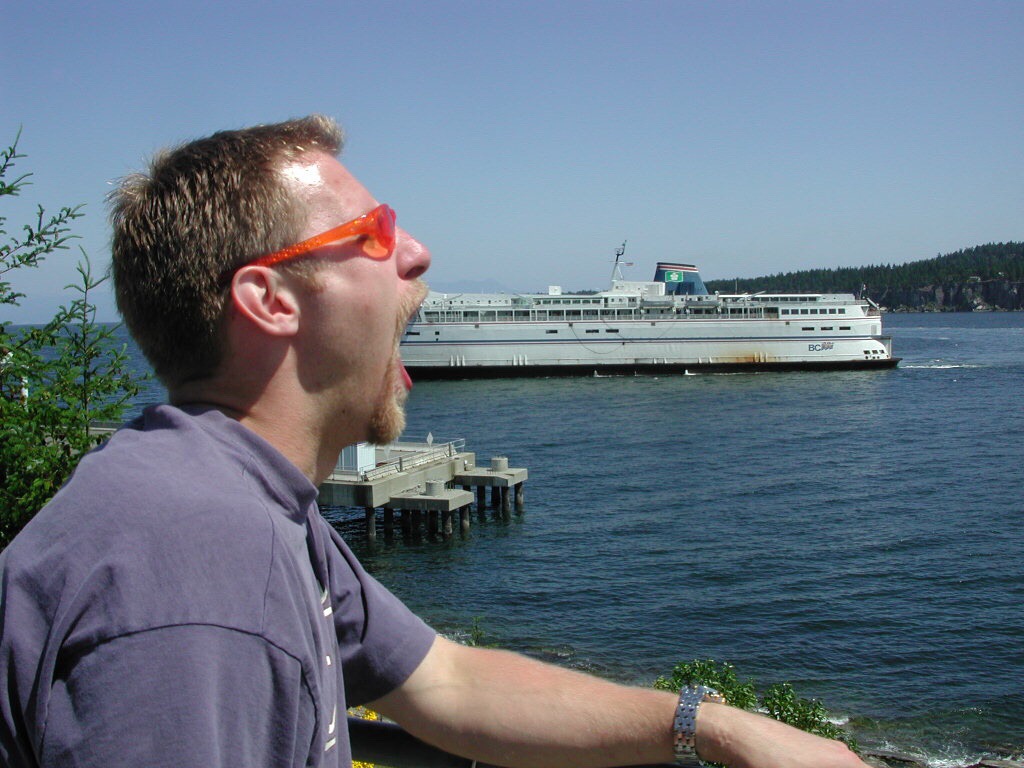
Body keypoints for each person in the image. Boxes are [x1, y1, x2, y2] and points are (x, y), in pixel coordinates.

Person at [0, 115, 869, 768]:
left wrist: (707, 723)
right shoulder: (197, 574)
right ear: (270, 301)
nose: (417, 252)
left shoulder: (241, 503)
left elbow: (444, 682)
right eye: (372, 235)